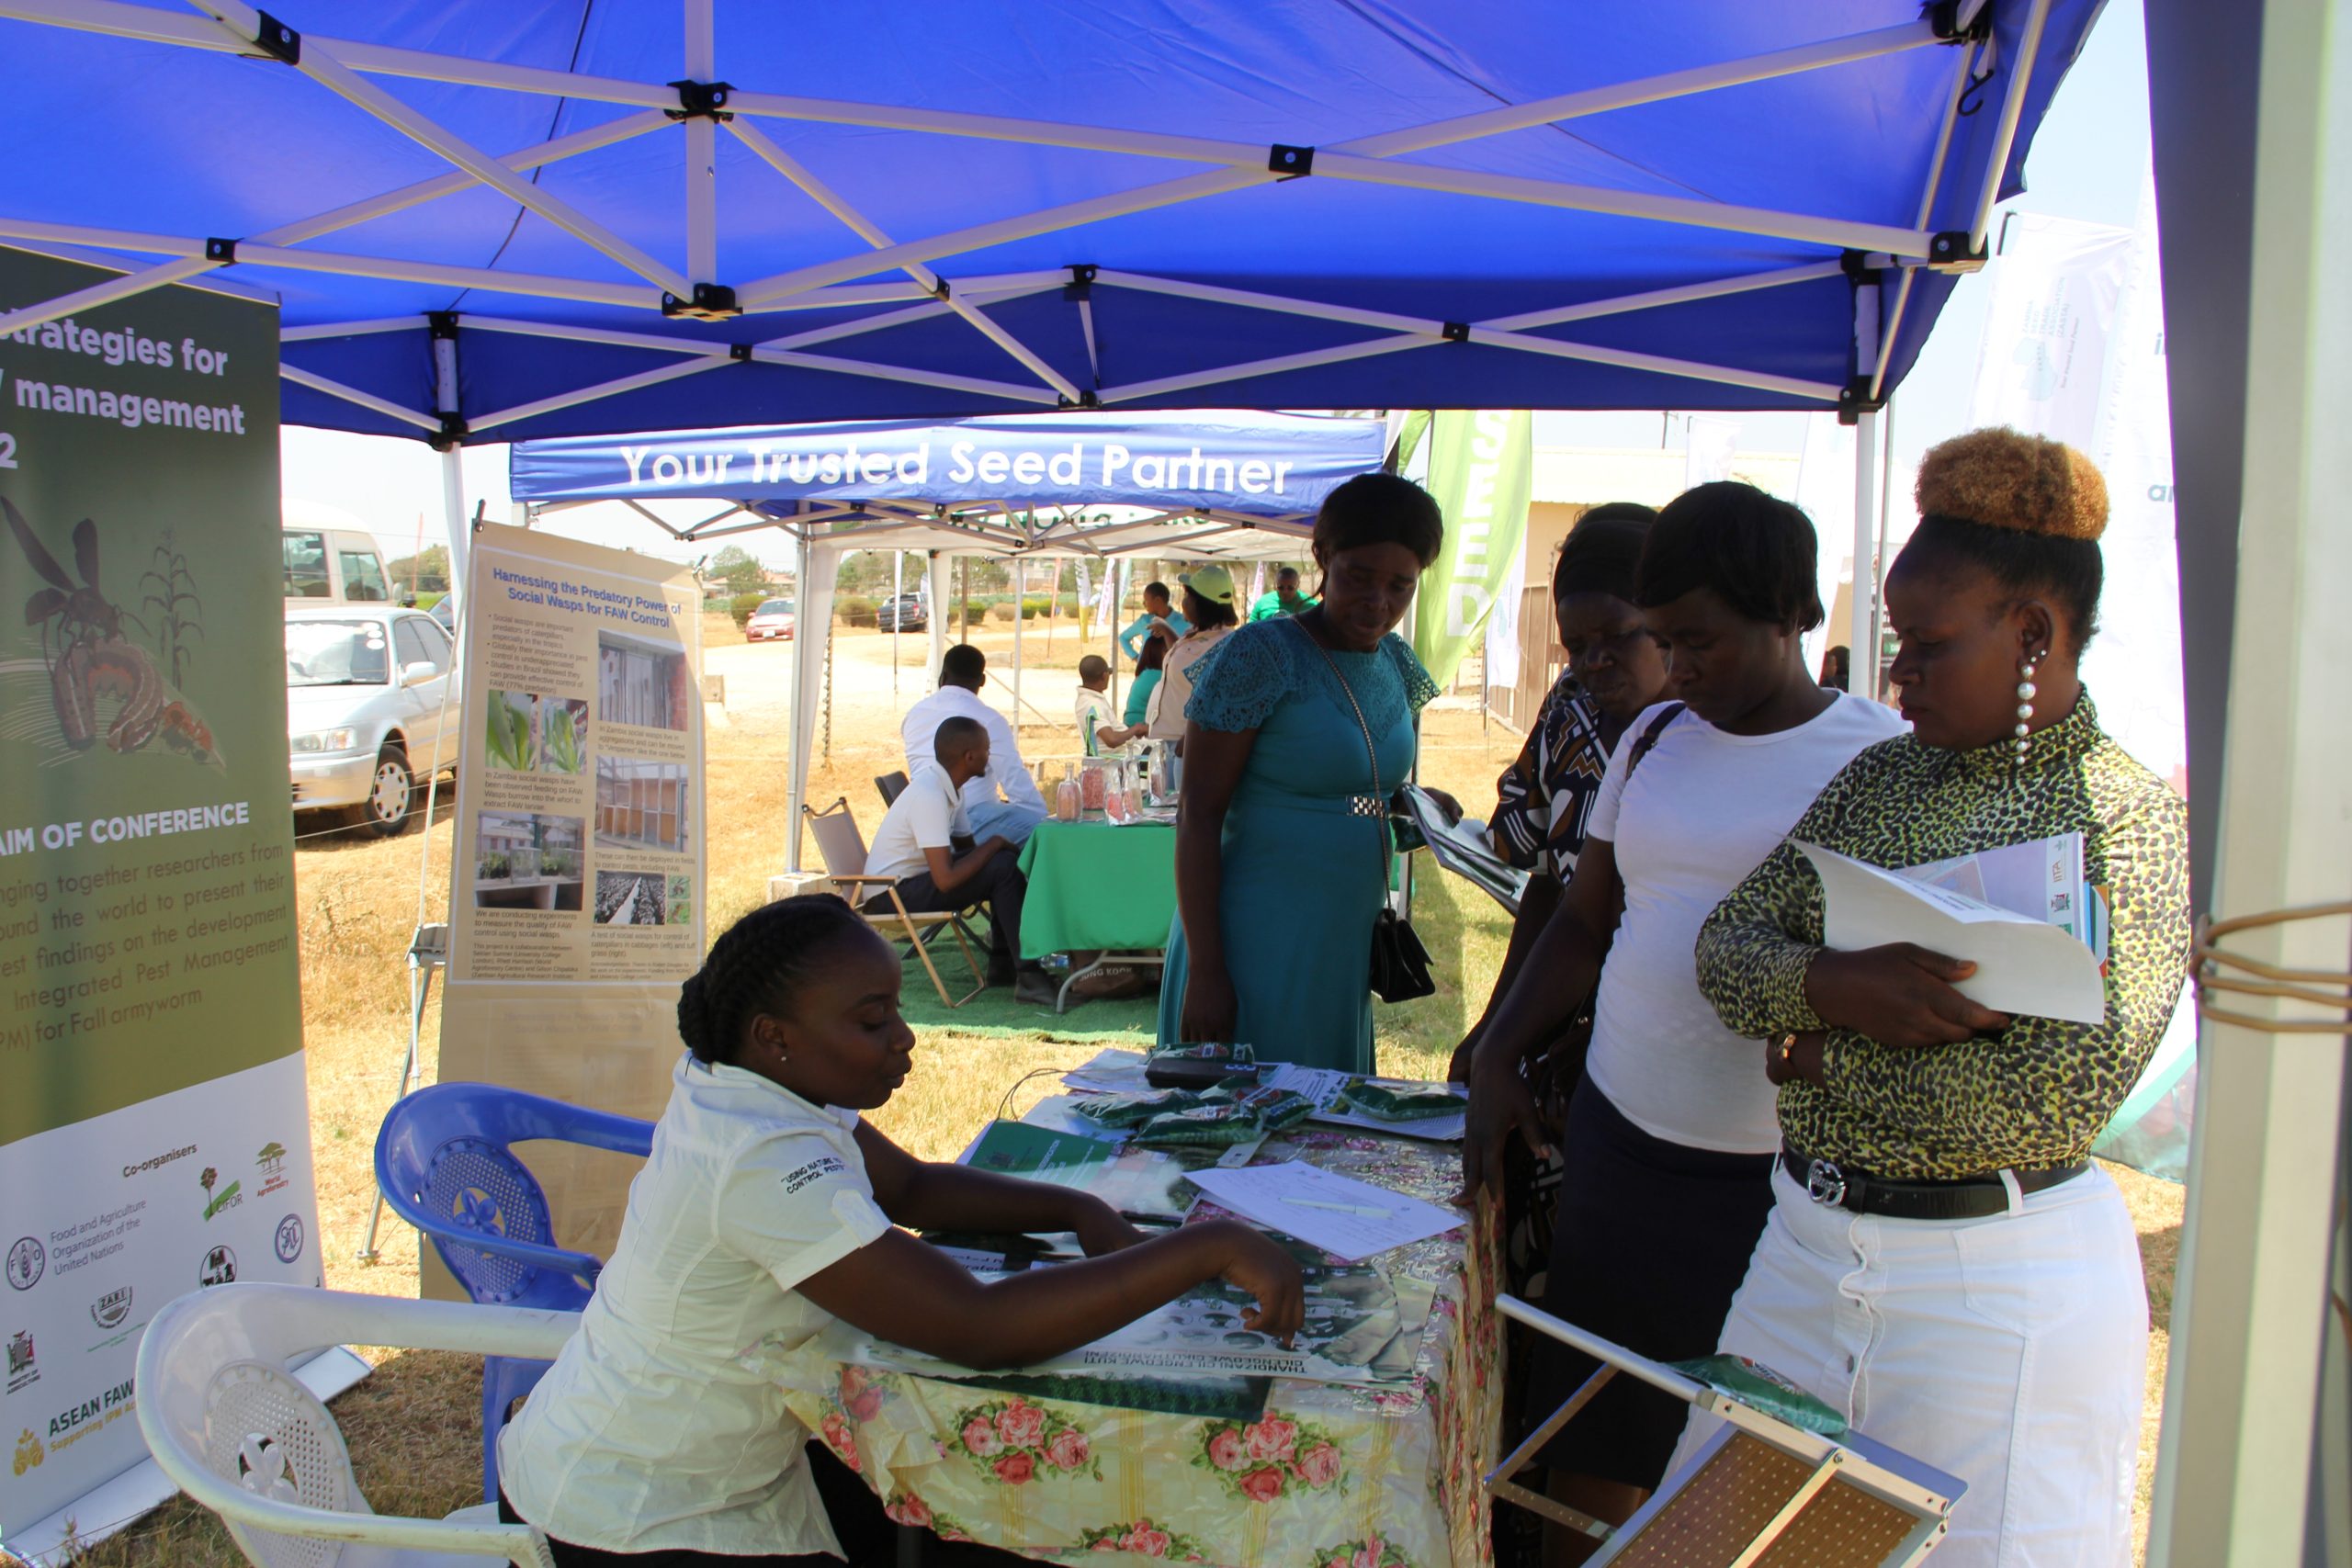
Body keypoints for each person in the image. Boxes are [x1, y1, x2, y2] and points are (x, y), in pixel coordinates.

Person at [1680, 429, 2188, 1568]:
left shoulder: (2124, 821)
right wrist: (1833, 982)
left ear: (2035, 634)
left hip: (1996, 1293)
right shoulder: (1879, 779)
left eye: (1924, 648)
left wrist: (1809, 1053)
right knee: (1716, 1545)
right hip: (1806, 1252)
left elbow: (2051, 1096)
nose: (1894, 678)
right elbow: (1726, 951)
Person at [498, 895, 1306, 1566]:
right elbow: (978, 1328)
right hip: (628, 1517)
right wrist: (1207, 1245)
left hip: (669, 1464)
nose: (905, 1036)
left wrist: (1075, 1207)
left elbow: (913, 1187)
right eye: (872, 1018)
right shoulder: (757, 1155)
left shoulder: (752, 1089)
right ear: (774, 1034)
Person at [1459, 482, 1905, 1558]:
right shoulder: (1656, 735)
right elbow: (1582, 920)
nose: (1679, 665)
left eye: (1698, 640)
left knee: (1743, 1453)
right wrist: (1499, 1053)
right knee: (1592, 1433)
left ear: (1791, 614)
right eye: (1664, 640)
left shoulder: (1879, 759)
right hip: (1621, 1149)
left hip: (1772, 1178)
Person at [1159, 472, 1443, 1072]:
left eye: (1400, 585)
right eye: (1358, 577)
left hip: (1343, 930)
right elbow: (1198, 814)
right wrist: (1209, 971)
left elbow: (1362, 782)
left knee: (1323, 1125)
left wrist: (1412, 806)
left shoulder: (1395, 659)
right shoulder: (1260, 653)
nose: (1378, 603)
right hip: (1254, 935)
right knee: (1239, 1131)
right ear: (1322, 557)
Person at [866, 716, 1051, 1003]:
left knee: (1001, 862)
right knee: (1000, 863)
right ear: (970, 756)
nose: (989, 758)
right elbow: (946, 879)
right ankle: (1028, 975)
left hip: (910, 885)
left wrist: (996, 848)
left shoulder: (953, 787)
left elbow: (968, 849)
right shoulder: (929, 794)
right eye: (987, 751)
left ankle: (1006, 965)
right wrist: (995, 844)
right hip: (890, 896)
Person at [899, 644, 1046, 845]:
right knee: (1044, 829)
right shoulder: (987, 720)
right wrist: (1045, 819)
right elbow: (1017, 784)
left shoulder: (914, 714)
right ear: (982, 680)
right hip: (967, 818)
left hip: (922, 815)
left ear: (942, 677)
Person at [1146, 565, 1242, 741]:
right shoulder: (1198, 634)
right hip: (1168, 739)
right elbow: (1188, 666)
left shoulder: (1225, 645)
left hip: (1185, 742)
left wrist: (1190, 739)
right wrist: (1167, 630)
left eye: (1187, 596)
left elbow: (1222, 701)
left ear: (1201, 603)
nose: (1183, 602)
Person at [1074, 654, 1142, 756]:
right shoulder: (1090, 704)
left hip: (1117, 758)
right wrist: (1135, 729)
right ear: (1104, 676)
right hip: (1109, 764)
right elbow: (1111, 740)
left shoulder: (1092, 698)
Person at [1117, 581, 1189, 662]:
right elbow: (1123, 638)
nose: (1143, 603)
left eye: (1146, 600)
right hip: (1147, 672)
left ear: (1158, 600)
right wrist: (1136, 657)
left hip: (1173, 672)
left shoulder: (1185, 621)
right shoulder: (1144, 621)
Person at [1123, 632, 1168, 729]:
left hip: (1132, 723)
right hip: (1141, 727)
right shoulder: (1158, 675)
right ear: (1156, 653)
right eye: (1167, 651)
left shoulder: (1146, 672)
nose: (1172, 655)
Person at [1247, 565, 1317, 622]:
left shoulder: (1311, 605)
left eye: (1290, 588)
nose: (1285, 592)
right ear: (1275, 585)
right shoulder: (1263, 602)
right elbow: (1251, 629)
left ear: (1298, 585)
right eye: (1280, 587)